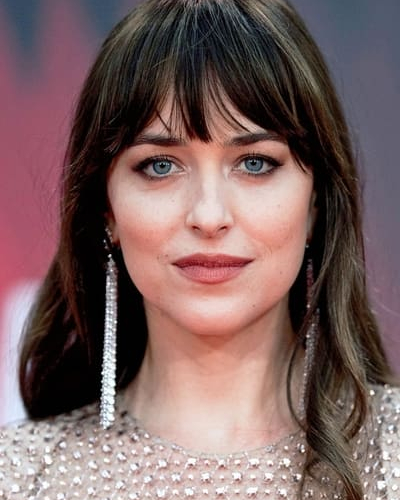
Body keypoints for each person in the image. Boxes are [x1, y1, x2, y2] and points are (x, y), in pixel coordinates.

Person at [0, 0, 398, 498]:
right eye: (160, 166)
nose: (209, 216)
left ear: (316, 201)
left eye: (254, 163)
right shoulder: (18, 478)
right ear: (107, 209)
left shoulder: (390, 454)